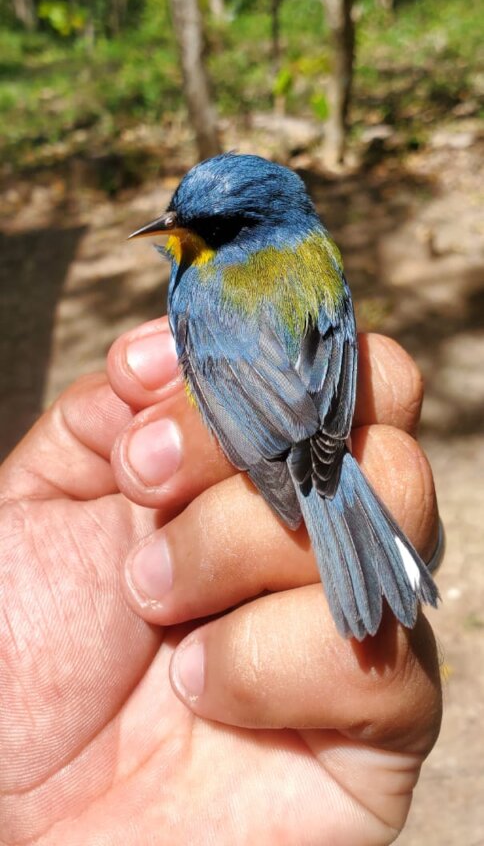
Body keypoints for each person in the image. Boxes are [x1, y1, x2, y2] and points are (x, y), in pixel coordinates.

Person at [0, 318, 442, 845]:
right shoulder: (309, 254)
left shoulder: (199, 287)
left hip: (272, 427)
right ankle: (384, 555)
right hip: (326, 426)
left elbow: (229, 379)